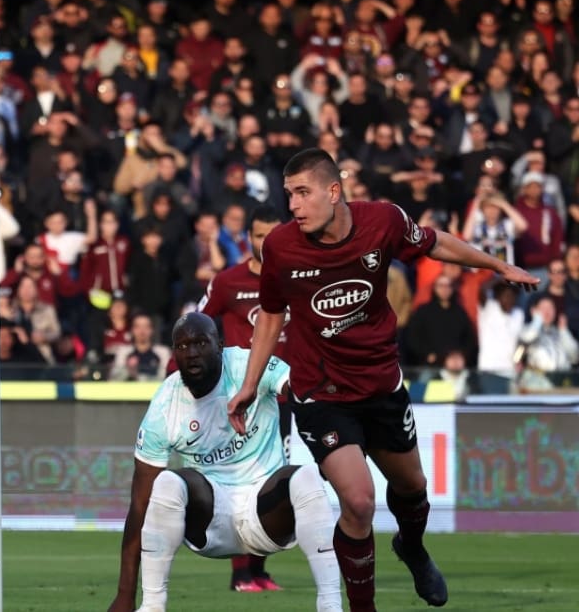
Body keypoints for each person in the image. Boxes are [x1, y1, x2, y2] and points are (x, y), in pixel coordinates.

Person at [228, 148, 538, 612]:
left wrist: (496, 266)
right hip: (321, 393)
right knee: (358, 501)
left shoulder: (383, 222)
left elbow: (435, 243)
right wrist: (250, 384)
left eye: (302, 193)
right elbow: (271, 315)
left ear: (334, 192)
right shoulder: (281, 247)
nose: (292, 206)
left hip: (381, 386)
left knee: (412, 490)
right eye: (289, 194)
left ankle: (411, 547)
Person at [108, 313, 341, 612]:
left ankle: (331, 606)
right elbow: (139, 506)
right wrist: (124, 593)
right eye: (182, 346)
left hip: (266, 513)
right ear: (174, 352)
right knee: (166, 483)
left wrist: (329, 446)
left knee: (306, 477)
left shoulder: (249, 366)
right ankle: (152, 605)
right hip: (210, 523)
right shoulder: (165, 405)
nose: (192, 353)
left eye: (201, 343)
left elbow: (301, 392)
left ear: (220, 344)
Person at [197, 203, 288, 592]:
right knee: (238, 484)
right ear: (248, 237)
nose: (265, 243)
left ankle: (261, 570)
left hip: (282, 400)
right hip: (240, 400)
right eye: (259, 235)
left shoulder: (293, 280)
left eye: (272, 235)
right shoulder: (228, 281)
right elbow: (198, 323)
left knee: (272, 484)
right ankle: (239, 574)